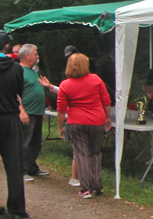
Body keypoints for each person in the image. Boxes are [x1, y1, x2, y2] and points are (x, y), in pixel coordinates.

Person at [56, 53, 111, 199]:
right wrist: (108, 117)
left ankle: (86, 188)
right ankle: (97, 184)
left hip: (76, 121)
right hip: (96, 120)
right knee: (95, 152)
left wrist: (60, 127)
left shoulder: (65, 85)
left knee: (82, 154)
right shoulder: (95, 79)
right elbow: (106, 100)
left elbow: (61, 109)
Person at [0, 31, 30, 219]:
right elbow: (18, 93)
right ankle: (17, 210)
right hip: (9, 118)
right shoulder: (17, 69)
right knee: (14, 164)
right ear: (7, 47)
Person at [19, 44, 54, 181]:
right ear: (26, 55)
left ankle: (32, 167)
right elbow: (15, 93)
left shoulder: (33, 71)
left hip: (37, 112)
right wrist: (21, 110)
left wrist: (42, 109)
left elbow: (36, 89)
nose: (37, 56)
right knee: (25, 142)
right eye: (35, 54)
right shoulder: (19, 71)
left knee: (36, 142)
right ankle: (21, 170)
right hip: (27, 112)